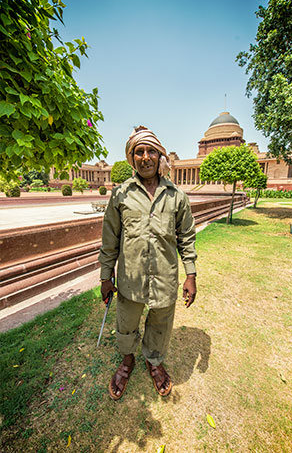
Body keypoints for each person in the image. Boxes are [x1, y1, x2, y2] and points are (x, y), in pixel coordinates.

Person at [99, 125, 198, 400]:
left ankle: (153, 361)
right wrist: (106, 277)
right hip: (130, 278)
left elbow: (187, 237)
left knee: (160, 322)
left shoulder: (176, 196)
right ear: (132, 158)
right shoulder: (121, 195)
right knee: (127, 322)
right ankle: (127, 360)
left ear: (159, 156)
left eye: (150, 151)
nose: (145, 157)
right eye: (138, 152)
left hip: (165, 276)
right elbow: (110, 239)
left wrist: (190, 274)